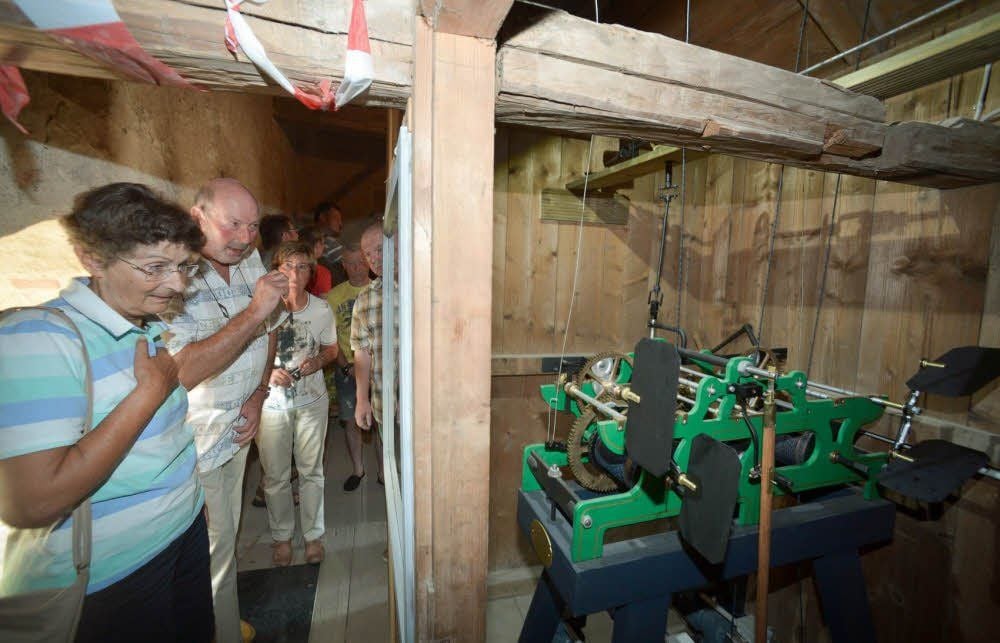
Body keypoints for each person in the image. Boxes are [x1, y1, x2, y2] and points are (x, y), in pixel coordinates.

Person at [0, 183, 213, 641]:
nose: (176, 284)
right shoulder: (38, 337)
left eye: (183, 267)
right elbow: (33, 501)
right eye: (155, 267)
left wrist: (188, 505)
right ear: (92, 259)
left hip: (180, 536)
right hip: (114, 576)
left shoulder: (145, 326)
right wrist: (147, 394)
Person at [159, 177, 289, 643]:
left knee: (225, 544)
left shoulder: (247, 257)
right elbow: (182, 371)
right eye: (233, 224)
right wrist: (254, 311)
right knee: (208, 553)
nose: (244, 238)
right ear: (198, 217)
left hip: (237, 432)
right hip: (195, 444)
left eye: (253, 227)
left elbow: (272, 324)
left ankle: (222, 625)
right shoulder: (173, 272)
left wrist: (257, 394)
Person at [257, 241, 339, 566]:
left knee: (311, 471)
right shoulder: (263, 308)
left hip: (311, 402)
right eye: (288, 266)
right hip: (270, 405)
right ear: (277, 270)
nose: (294, 273)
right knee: (275, 475)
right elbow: (250, 353)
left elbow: (331, 349)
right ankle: (281, 537)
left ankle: (313, 535)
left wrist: (317, 362)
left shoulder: (321, 309)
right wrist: (269, 372)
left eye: (302, 266)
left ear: (311, 273)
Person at [327, 244, 382, 491]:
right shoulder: (333, 296)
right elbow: (329, 337)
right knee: (351, 420)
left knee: (382, 419)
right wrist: (345, 366)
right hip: (346, 366)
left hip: (379, 368)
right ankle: (358, 469)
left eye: (360, 261)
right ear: (343, 266)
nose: (356, 268)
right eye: (350, 263)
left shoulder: (381, 290)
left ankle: (384, 471)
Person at [350, 222, 396, 479]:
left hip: (424, 405)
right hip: (383, 401)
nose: (374, 259)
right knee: (392, 471)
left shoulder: (423, 291)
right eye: (368, 254)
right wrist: (362, 400)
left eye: (380, 249)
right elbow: (361, 352)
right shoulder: (365, 299)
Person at [313, 201, 347, 285]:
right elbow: (353, 264)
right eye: (336, 218)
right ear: (322, 217)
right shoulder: (328, 241)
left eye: (341, 220)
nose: (340, 224)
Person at [299, 225, 333, 297]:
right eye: (323, 243)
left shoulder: (291, 269)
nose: (324, 246)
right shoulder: (323, 272)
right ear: (317, 246)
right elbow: (324, 303)